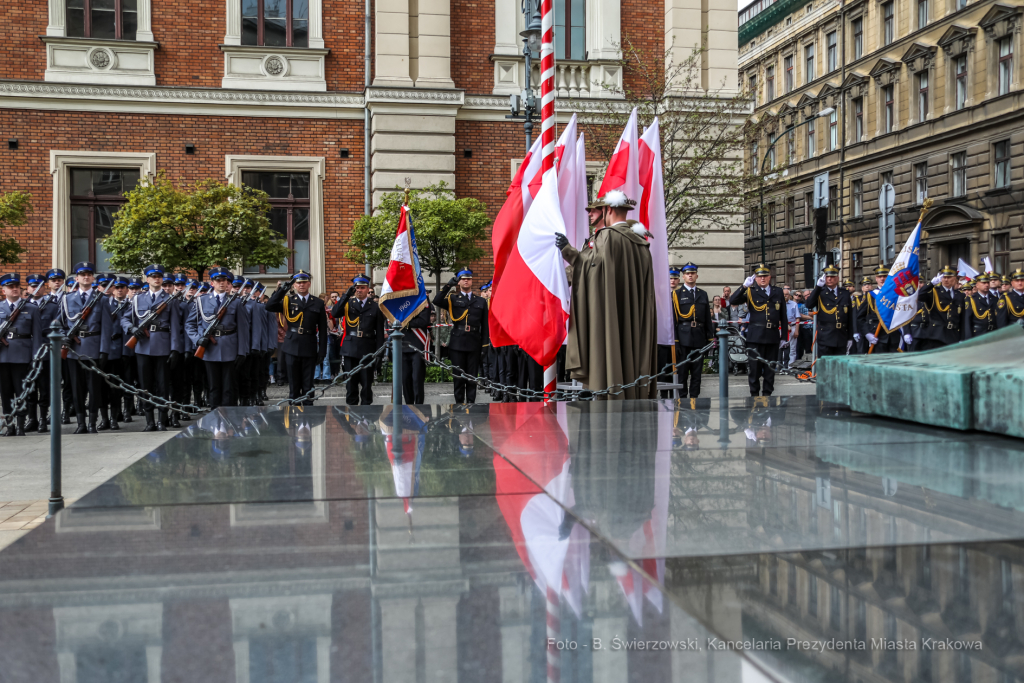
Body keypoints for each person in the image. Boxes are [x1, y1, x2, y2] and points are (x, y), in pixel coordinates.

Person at [556, 190, 658, 400]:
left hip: (611, 313)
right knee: (632, 351)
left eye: (596, 210)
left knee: (611, 352)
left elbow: (591, 270)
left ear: (608, 209)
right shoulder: (641, 241)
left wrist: (567, 250)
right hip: (635, 314)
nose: (591, 214)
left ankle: (611, 395)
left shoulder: (607, 236)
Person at [121, 264, 182, 432]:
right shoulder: (137, 299)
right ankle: (149, 421)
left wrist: (175, 349)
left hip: (163, 346)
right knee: (145, 385)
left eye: (159, 276)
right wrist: (132, 328)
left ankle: (162, 420)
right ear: (147, 279)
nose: (157, 279)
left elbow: (175, 326)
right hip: (143, 346)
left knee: (163, 386)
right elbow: (125, 319)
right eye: (153, 276)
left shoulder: (171, 299)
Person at [185, 267, 250, 409]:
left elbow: (243, 329)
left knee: (229, 387)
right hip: (210, 348)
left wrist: (242, 351)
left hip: (230, 348)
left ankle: (229, 418)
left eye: (224, 280)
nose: (221, 283)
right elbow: (190, 324)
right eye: (218, 280)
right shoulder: (201, 301)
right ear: (212, 283)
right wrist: (197, 339)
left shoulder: (236, 302)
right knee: (213, 386)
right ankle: (215, 417)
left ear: (227, 283)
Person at [61, 262, 112, 434]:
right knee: (77, 388)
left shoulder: (102, 299)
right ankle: (81, 423)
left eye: (89, 274)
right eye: (82, 275)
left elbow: (106, 328)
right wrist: (64, 337)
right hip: (74, 350)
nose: (86, 277)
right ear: (76, 278)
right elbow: (59, 324)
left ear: (93, 278)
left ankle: (92, 423)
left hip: (93, 348)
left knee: (94, 388)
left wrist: (104, 350)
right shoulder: (67, 299)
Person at [267, 270, 329, 405]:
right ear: (294, 285)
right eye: (298, 283)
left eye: (304, 282)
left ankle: (308, 412)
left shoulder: (317, 302)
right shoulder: (288, 300)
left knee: (308, 385)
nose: (301, 285)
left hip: (309, 345)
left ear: (309, 284)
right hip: (291, 346)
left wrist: (322, 351)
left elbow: (323, 329)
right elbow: (269, 305)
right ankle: (294, 412)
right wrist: (282, 290)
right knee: (293, 385)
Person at [431, 269, 488, 403]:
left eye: (468, 278)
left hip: (474, 342)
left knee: (472, 378)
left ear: (472, 281)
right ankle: (459, 406)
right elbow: (437, 300)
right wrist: (448, 286)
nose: (466, 281)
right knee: (458, 378)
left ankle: (471, 405)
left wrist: (485, 346)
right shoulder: (453, 299)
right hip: (457, 343)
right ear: (458, 282)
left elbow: (485, 325)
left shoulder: (480, 301)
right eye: (463, 279)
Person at [729, 264, 787, 396]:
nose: (763, 278)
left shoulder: (777, 291)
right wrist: (744, 286)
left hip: (772, 335)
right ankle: (754, 396)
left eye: (765, 276)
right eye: (760, 276)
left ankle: (767, 396)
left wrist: (784, 337)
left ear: (770, 277)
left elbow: (783, 315)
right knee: (754, 370)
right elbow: (733, 300)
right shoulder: (751, 291)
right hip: (755, 336)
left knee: (770, 369)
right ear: (755, 278)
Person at [330, 275, 386, 405]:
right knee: (351, 384)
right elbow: (334, 313)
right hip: (350, 348)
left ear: (367, 289)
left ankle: (366, 412)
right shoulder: (348, 304)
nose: (359, 290)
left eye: (362, 288)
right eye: (357, 288)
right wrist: (346, 296)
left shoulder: (375, 307)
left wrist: (379, 353)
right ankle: (351, 412)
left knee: (366, 385)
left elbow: (379, 332)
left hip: (368, 348)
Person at [0, 273, 43, 436]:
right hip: (2, 356)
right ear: (3, 290)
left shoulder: (31, 308)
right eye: (10, 287)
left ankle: (20, 425)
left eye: (17, 286)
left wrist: (35, 357)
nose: (14, 289)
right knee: (5, 393)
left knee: (22, 391)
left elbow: (37, 336)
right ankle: (9, 425)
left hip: (22, 355)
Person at [672, 263, 714, 398]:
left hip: (699, 337)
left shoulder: (703, 294)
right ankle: (682, 400)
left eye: (692, 273)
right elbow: (673, 320)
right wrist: (676, 341)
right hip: (683, 337)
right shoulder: (676, 294)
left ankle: (694, 399)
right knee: (682, 372)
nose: (690, 276)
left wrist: (710, 338)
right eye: (687, 274)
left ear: (697, 276)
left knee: (697, 373)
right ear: (683, 277)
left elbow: (707, 318)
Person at [97, 274, 131, 431]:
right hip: (99, 350)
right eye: (103, 285)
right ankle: (104, 419)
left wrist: (124, 352)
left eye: (110, 286)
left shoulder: (123, 305)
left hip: (116, 349)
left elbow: (124, 331)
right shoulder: (95, 303)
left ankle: (114, 418)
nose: (107, 288)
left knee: (115, 387)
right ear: (98, 287)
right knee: (100, 388)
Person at [806, 265, 855, 356]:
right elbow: (809, 304)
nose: (829, 279)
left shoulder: (844, 293)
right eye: (827, 276)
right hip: (825, 336)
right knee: (825, 363)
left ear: (837, 278)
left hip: (841, 336)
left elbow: (849, 317)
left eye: (832, 276)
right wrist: (818, 287)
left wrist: (850, 337)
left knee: (840, 363)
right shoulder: (820, 292)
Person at [915, 265, 965, 350]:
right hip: (936, 336)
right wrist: (931, 284)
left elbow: (962, 319)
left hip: (954, 335)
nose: (946, 280)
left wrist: (962, 337)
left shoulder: (960, 295)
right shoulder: (934, 291)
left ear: (955, 279)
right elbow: (919, 296)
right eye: (944, 277)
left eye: (949, 277)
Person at [400, 305, 431, 405]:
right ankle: (409, 406)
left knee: (417, 379)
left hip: (418, 344)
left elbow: (424, 321)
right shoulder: (400, 300)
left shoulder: (422, 299)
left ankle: (418, 407)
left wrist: (406, 323)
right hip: (402, 343)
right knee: (405, 380)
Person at [963, 271, 1000, 339]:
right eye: (983, 283)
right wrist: (968, 338)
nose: (986, 285)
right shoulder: (971, 299)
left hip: (993, 334)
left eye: (987, 282)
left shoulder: (995, 299)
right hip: (978, 334)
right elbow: (967, 321)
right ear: (977, 285)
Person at [783, 285, 800, 365]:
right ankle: (782, 365)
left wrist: (796, 330)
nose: (785, 296)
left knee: (792, 348)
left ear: (789, 295)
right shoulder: (779, 304)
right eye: (784, 294)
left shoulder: (794, 304)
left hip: (792, 327)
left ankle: (791, 365)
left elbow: (797, 318)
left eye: (786, 294)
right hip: (782, 328)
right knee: (782, 347)